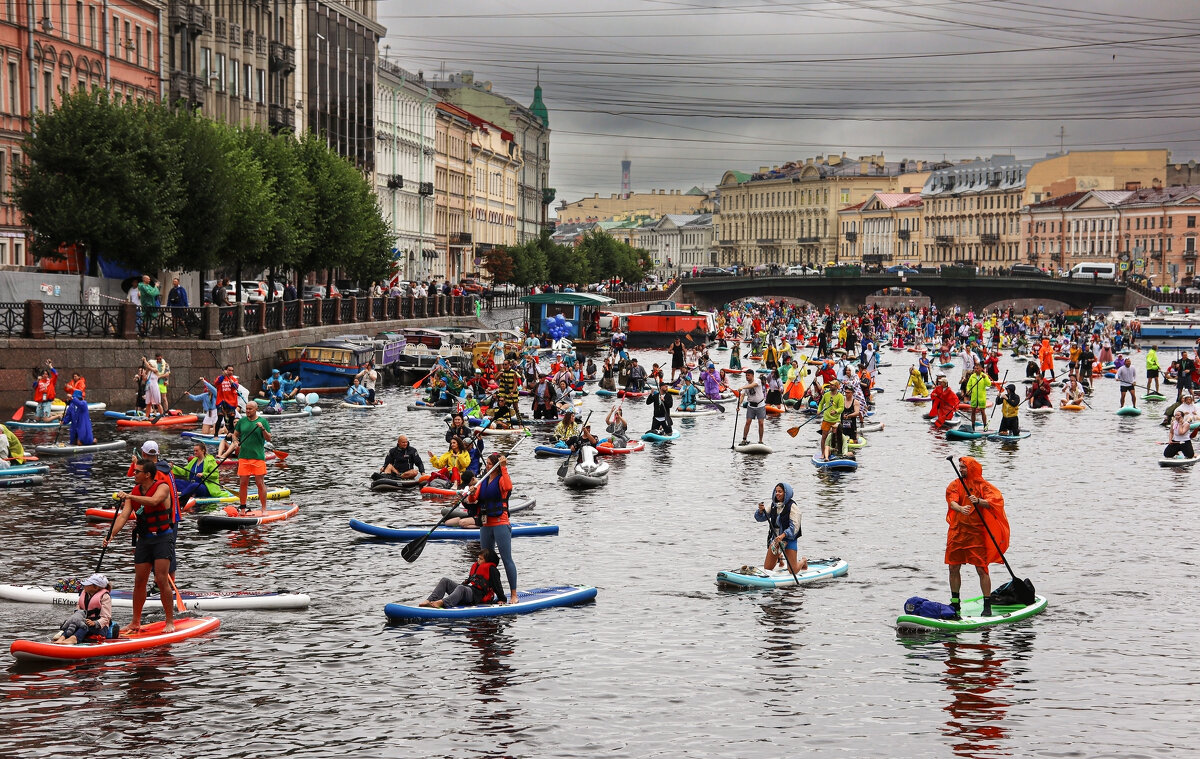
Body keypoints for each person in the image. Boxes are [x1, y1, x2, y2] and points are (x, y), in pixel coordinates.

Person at [107, 461, 177, 634]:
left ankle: (170, 621)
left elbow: (154, 501)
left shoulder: (163, 487)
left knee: (161, 579)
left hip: (162, 538)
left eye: (137, 472)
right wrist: (111, 535)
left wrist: (130, 497)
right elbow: (123, 517)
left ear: (147, 474)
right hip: (144, 540)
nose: (134, 474)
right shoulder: (135, 492)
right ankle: (135, 622)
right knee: (139, 581)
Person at [944, 456, 1010, 618]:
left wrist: (979, 501)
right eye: (959, 467)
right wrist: (960, 508)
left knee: (981, 568)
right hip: (958, 532)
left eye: (964, 467)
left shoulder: (983, 486)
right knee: (953, 567)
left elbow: (996, 501)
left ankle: (987, 604)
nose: (961, 470)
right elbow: (952, 501)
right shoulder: (955, 484)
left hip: (976, 533)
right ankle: (955, 602)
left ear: (971, 469)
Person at [467, 452, 519, 604]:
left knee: (506, 559)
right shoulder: (483, 480)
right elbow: (473, 499)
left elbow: (509, 487)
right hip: (485, 524)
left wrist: (504, 468)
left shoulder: (502, 478)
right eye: (487, 463)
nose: (487, 466)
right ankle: (488, 593)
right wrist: (470, 493)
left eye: (490, 463)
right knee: (485, 562)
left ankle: (513, 594)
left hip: (500, 523)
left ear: (496, 465)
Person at [419, 549, 507, 609]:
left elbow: (497, 586)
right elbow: (469, 581)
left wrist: (502, 599)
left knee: (461, 588)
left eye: (481, 559)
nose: (478, 560)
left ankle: (442, 603)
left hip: (479, 596)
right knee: (445, 581)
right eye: (478, 558)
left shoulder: (492, 570)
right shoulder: (477, 566)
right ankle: (429, 600)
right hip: (469, 591)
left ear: (488, 561)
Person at [754, 483, 805, 574]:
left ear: (786, 493)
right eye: (776, 491)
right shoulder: (773, 505)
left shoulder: (792, 507)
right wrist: (761, 511)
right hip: (776, 540)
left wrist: (783, 535)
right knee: (767, 568)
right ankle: (780, 557)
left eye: (780, 492)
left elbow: (795, 528)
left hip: (789, 539)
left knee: (793, 571)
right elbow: (760, 518)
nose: (777, 494)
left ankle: (803, 561)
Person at [50, 573, 112, 645]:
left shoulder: (105, 597)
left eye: (87, 584)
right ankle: (62, 637)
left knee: (85, 626)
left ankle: (74, 639)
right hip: (84, 620)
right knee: (73, 623)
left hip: (99, 627)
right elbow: (79, 606)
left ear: (95, 587)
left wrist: (95, 623)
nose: (84, 585)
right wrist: (76, 617)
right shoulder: (85, 593)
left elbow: (106, 618)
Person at [233, 401, 272, 512]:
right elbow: (235, 435)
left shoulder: (262, 421)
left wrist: (262, 428)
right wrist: (235, 442)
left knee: (260, 483)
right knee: (243, 483)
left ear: (256, 409)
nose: (248, 411)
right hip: (244, 456)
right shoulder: (242, 421)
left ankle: (264, 508)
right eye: (247, 409)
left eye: (250, 409)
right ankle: (243, 508)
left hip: (258, 457)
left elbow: (269, 438)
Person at [738, 368, 767, 446]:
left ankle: (760, 441)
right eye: (746, 375)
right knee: (748, 422)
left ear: (753, 376)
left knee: (761, 423)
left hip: (760, 405)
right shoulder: (745, 385)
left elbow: (753, 385)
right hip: (751, 406)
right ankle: (744, 439)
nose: (747, 377)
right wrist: (739, 405)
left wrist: (743, 388)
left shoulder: (757, 381)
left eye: (748, 375)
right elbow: (742, 396)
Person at [816, 378, 844, 451]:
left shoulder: (840, 396)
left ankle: (837, 450)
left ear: (836, 386)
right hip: (826, 419)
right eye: (830, 385)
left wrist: (835, 411)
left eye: (832, 385)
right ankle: (823, 452)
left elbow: (841, 408)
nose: (830, 386)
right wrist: (819, 410)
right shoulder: (826, 394)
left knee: (836, 436)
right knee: (824, 436)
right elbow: (821, 403)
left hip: (836, 420)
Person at [964, 363, 991, 429]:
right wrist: (968, 390)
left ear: (981, 369)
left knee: (982, 411)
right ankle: (973, 426)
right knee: (973, 411)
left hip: (981, 397)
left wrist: (985, 378)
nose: (976, 370)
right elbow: (969, 385)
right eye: (975, 368)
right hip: (974, 397)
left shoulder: (984, 376)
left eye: (977, 368)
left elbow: (989, 384)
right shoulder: (972, 376)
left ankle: (985, 425)